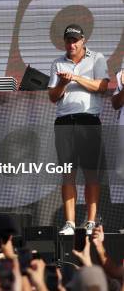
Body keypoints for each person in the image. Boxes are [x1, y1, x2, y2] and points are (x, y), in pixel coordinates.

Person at [48, 24, 109, 235]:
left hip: (89, 121)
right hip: (64, 122)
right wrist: (63, 83)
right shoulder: (57, 63)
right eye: (68, 40)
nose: (71, 44)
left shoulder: (96, 58)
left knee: (91, 174)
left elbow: (102, 87)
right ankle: (70, 223)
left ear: (83, 40)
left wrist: (75, 78)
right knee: (68, 174)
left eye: (75, 40)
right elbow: (53, 97)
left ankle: (91, 221)